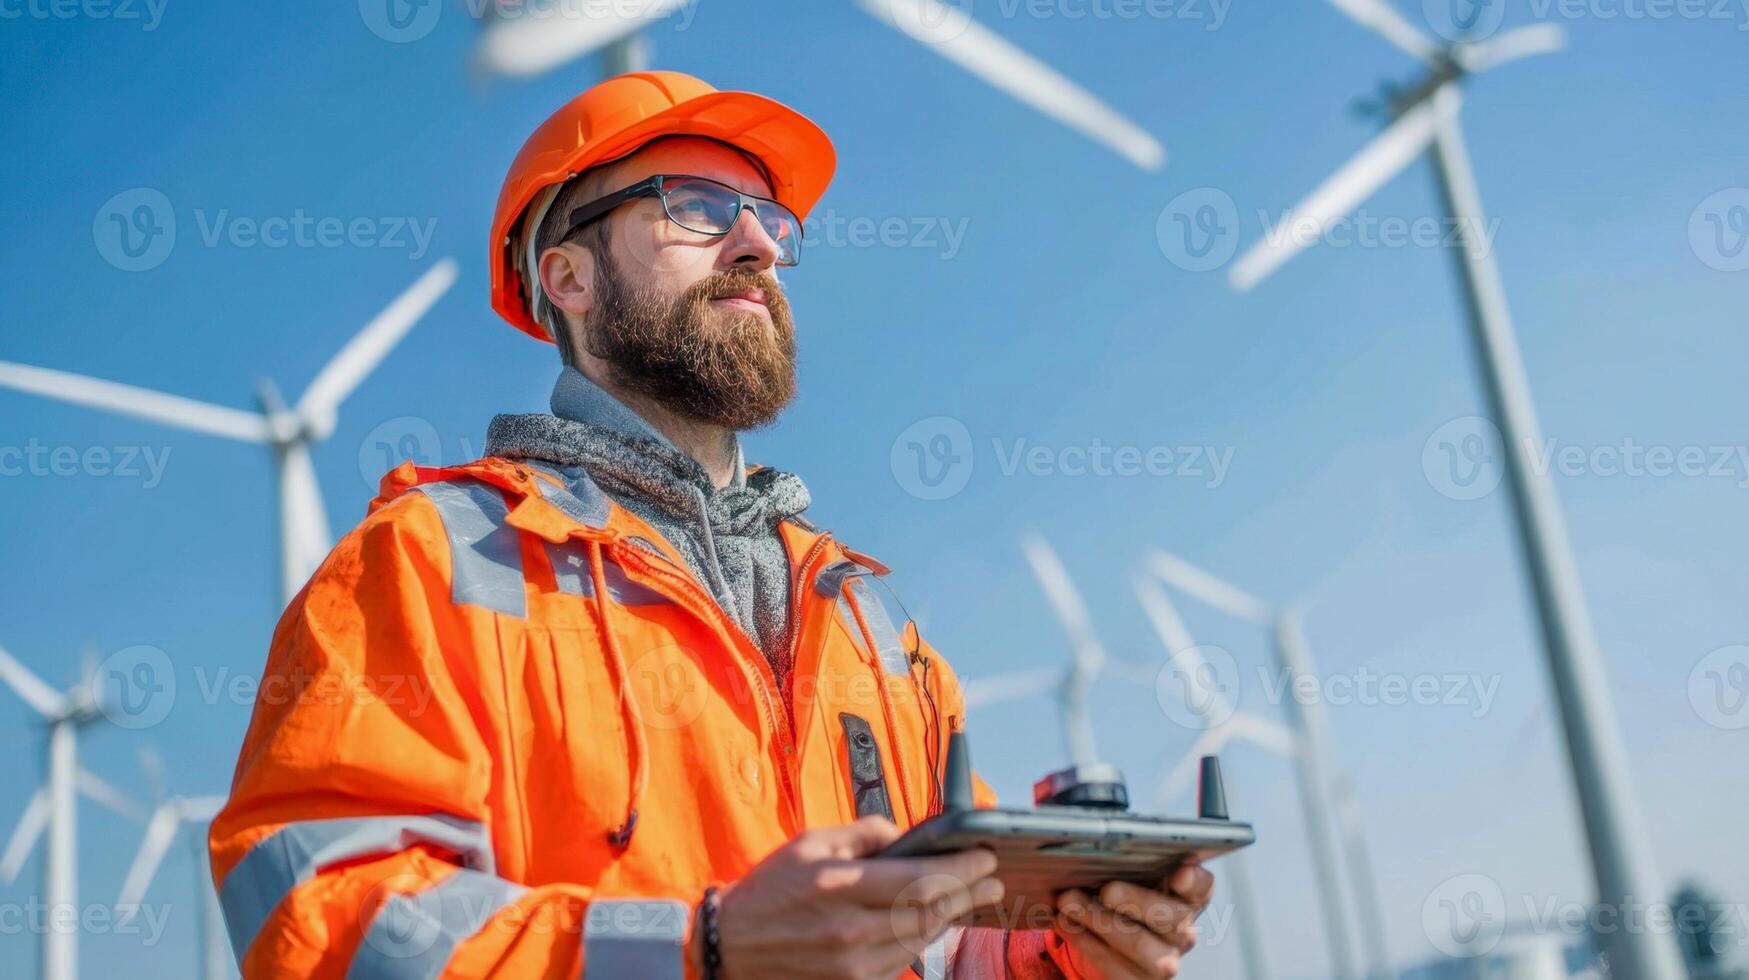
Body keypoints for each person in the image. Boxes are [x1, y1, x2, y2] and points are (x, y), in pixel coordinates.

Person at [209, 70, 1213, 979]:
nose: (761, 244)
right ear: (569, 277)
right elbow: (318, 919)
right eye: (698, 208)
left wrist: (1070, 949)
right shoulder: (433, 558)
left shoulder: (869, 618)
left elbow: (948, 941)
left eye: (770, 219)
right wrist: (704, 946)